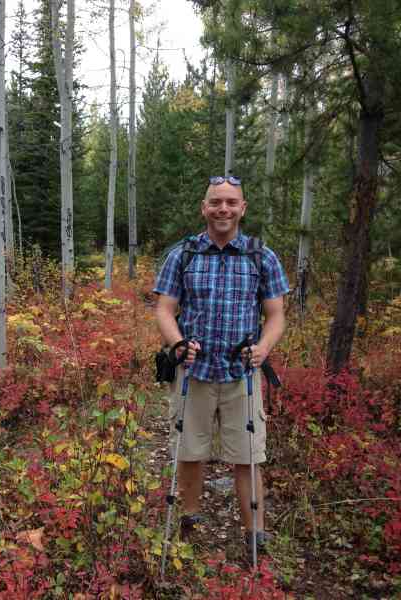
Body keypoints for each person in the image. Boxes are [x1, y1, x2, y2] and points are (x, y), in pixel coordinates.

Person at [153, 175, 289, 560]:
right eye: (216, 202)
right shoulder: (184, 254)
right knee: (190, 451)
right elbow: (164, 308)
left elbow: (276, 315)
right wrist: (178, 343)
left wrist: (263, 348)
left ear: (243, 208)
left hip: (241, 374)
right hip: (192, 372)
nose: (223, 209)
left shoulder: (262, 256)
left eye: (231, 202)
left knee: (248, 456)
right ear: (204, 208)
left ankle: (254, 535)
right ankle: (190, 521)